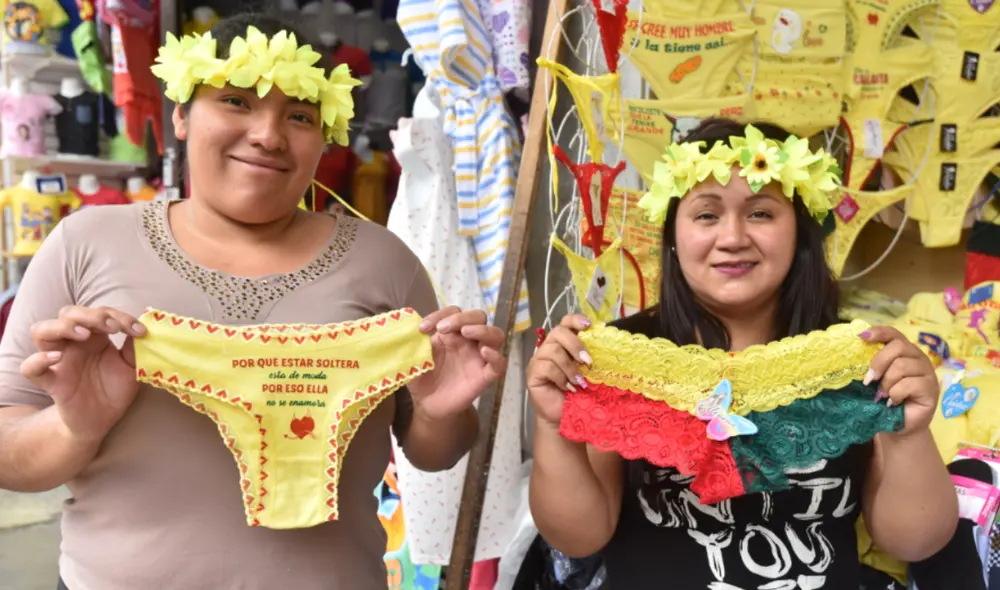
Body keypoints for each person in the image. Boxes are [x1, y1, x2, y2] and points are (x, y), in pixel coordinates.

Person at [0, 14, 505, 590]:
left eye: (300, 115)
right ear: (181, 115)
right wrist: (74, 427)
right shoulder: (84, 244)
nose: (268, 135)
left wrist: (440, 414)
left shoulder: (385, 262)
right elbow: (8, 454)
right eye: (237, 101)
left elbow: (436, 453)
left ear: (326, 134)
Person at [526, 119, 958, 588]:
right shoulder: (619, 361)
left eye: (761, 213)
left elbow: (915, 542)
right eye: (706, 215)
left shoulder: (861, 361)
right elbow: (578, 538)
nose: (732, 237)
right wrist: (553, 426)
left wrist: (910, 436)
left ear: (800, 234)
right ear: (673, 236)